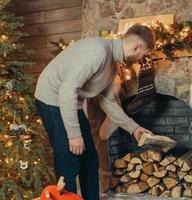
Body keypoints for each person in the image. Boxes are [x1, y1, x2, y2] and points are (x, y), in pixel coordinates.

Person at [34, 24, 156, 200]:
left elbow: (109, 102)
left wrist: (134, 129)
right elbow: (66, 90)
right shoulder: (97, 52)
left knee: (90, 161)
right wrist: (74, 134)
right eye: (142, 55)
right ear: (137, 47)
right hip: (52, 99)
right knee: (69, 163)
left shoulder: (112, 63)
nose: (140, 60)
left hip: (70, 102)